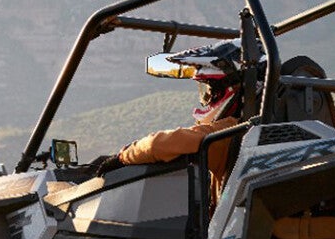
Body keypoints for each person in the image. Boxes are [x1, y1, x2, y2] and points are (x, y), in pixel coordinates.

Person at [96, 41, 248, 198]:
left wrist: (123, 157)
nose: (206, 99)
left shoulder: (228, 132)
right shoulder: (253, 129)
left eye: (209, 92)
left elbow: (159, 144)